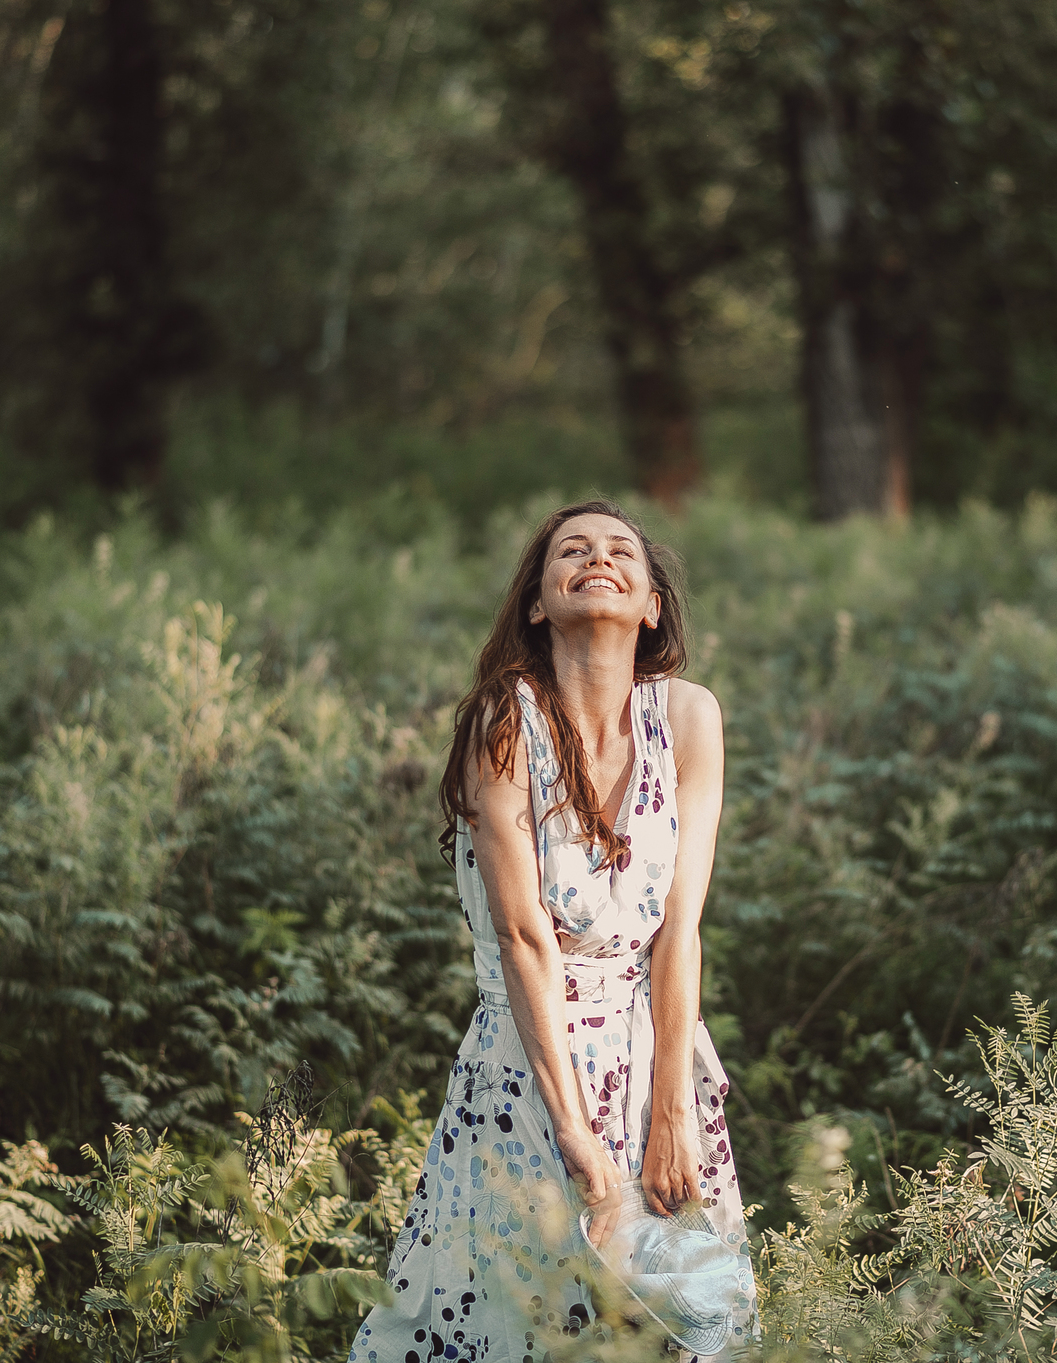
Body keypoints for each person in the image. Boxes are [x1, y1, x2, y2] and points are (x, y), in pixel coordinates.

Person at [348, 500, 752, 1363]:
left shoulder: (689, 716)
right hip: (529, 1064)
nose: (597, 558)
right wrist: (569, 1126)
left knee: (680, 1319)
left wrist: (672, 1113)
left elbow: (680, 929)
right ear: (538, 601)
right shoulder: (506, 718)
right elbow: (524, 934)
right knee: (512, 1314)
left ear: (651, 605)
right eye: (572, 550)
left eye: (620, 552)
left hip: (656, 1060)